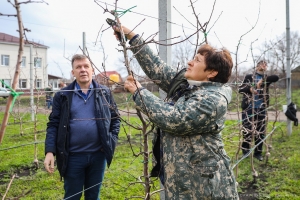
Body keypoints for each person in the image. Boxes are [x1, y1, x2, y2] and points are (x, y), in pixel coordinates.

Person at [113, 25, 239, 199]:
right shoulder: (189, 86)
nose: (190, 62)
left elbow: (175, 119)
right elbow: (157, 68)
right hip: (183, 180)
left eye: (197, 60)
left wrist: (139, 93)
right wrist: (131, 36)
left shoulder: (213, 99)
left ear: (211, 72)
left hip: (202, 187)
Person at [44, 54, 120, 200]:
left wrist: (111, 139)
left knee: (93, 196)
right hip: (72, 157)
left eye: (86, 66)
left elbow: (115, 119)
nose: (83, 70)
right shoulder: (63, 95)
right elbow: (53, 124)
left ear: (92, 70)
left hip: (98, 156)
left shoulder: (104, 93)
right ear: (73, 72)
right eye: (78, 67)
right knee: (72, 196)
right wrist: (49, 151)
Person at [239, 61, 279, 161]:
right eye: (262, 64)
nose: (264, 66)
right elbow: (241, 89)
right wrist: (250, 89)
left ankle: (258, 153)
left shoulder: (266, 79)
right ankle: (246, 151)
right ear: (257, 66)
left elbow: (276, 77)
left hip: (261, 108)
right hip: (248, 108)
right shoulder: (249, 76)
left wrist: (263, 81)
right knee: (247, 130)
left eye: (266, 65)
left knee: (260, 131)